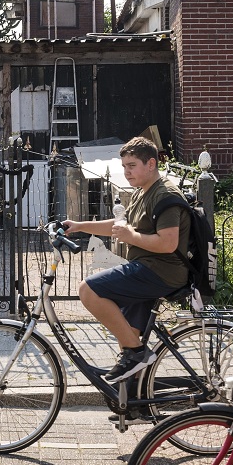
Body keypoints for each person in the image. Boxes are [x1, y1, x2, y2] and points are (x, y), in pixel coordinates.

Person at [62, 136, 191, 384]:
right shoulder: (145, 192)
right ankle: (134, 402)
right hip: (147, 269)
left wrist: (130, 235)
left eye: (132, 165)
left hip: (160, 273)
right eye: (124, 166)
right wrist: (79, 226)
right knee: (128, 336)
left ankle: (138, 354)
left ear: (151, 163)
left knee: (88, 290)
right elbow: (118, 225)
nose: (126, 172)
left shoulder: (164, 195)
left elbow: (168, 242)